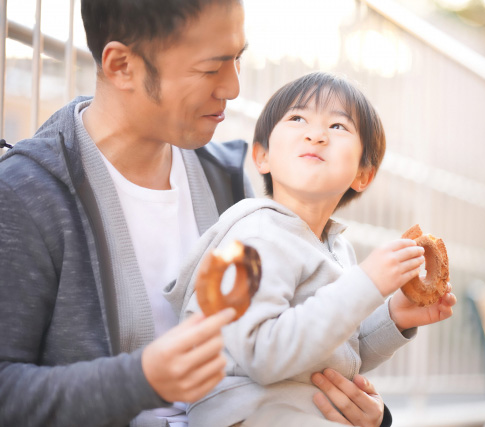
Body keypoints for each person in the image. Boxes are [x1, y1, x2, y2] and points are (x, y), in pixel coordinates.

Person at [0, 1, 396, 426]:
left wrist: (371, 416)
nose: (233, 87)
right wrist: (140, 380)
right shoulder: (25, 194)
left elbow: (286, 348)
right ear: (122, 66)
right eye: (211, 68)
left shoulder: (226, 182)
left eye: (239, 58)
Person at [166, 71, 457, 426]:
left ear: (363, 175)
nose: (316, 134)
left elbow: (331, 354)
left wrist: (394, 317)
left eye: (338, 127)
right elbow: (263, 354)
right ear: (262, 157)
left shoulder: (336, 249)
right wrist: (366, 284)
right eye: (297, 118)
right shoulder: (249, 237)